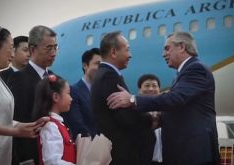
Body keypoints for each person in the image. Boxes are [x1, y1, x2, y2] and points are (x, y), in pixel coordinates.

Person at [107, 32, 220, 165]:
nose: (163, 54)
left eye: (167, 48)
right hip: (186, 152)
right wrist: (156, 120)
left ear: (182, 47)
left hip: (194, 152)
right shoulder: (183, 74)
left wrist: (132, 99)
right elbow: (180, 108)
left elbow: (174, 99)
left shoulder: (196, 69)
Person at [0, 24, 49, 165]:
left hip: (2, 154)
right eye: (10, 48)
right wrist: (15, 132)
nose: (12, 54)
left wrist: (22, 126)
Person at [91, 31, 154, 165]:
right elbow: (125, 116)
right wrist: (151, 119)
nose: (130, 55)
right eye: (127, 50)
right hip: (122, 154)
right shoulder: (109, 76)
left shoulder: (103, 74)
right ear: (114, 52)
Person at [8, 25, 58, 165]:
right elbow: (21, 120)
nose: (53, 53)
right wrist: (26, 159)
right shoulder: (20, 79)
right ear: (32, 49)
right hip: (35, 154)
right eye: (48, 48)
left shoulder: (55, 78)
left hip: (56, 153)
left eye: (55, 47)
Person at [32, 75, 76, 165]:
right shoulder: (50, 126)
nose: (71, 99)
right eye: (68, 93)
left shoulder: (57, 124)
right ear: (56, 97)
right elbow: (52, 161)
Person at [62, 48, 101, 140]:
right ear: (85, 65)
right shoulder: (74, 91)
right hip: (88, 147)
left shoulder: (103, 91)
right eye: (97, 64)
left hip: (105, 147)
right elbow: (77, 125)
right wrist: (96, 143)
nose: (101, 68)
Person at [137, 74, 163, 165]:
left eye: (154, 86)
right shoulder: (133, 110)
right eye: (147, 85)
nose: (151, 89)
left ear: (159, 90)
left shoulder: (167, 109)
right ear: (139, 90)